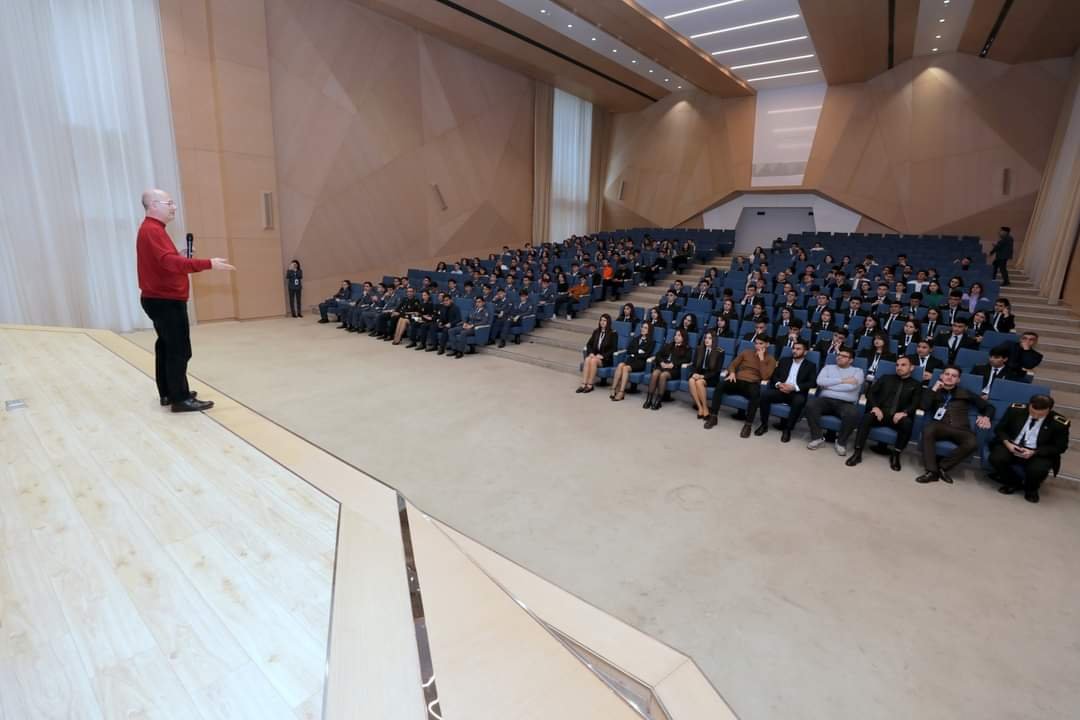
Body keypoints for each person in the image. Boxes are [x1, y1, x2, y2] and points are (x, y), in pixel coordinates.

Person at [915, 367, 995, 484]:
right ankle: (931, 471)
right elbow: (923, 406)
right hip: (940, 426)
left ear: (958, 380)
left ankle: (942, 467)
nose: (949, 377)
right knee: (928, 430)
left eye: (954, 376)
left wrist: (986, 417)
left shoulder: (965, 393)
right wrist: (934, 389)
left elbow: (989, 407)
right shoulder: (933, 391)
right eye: (947, 374)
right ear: (941, 376)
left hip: (961, 428)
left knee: (973, 442)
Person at [845, 355, 922, 471]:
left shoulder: (916, 384)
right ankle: (857, 452)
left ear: (912, 368)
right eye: (897, 365)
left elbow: (916, 403)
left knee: (907, 423)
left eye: (903, 365)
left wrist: (905, 412)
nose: (899, 367)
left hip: (898, 416)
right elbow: (870, 393)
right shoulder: (886, 378)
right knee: (867, 417)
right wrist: (875, 407)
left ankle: (896, 454)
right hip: (881, 413)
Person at [990, 395, 1070, 503]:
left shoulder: (1059, 423)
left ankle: (1031, 489)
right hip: (1012, 445)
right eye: (1032, 412)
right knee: (996, 458)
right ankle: (1013, 482)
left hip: (1038, 452)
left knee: (1038, 470)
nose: (1035, 416)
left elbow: (1060, 447)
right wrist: (1007, 443)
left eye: (1040, 415)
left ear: (1049, 410)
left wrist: (1035, 452)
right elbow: (1000, 429)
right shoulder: (1015, 410)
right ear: (1029, 405)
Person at [704, 336, 777, 436]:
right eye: (756, 343)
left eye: (761, 344)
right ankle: (713, 417)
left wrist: (761, 359)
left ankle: (748, 425)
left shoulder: (771, 359)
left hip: (752, 383)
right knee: (720, 385)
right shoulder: (746, 352)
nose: (758, 346)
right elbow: (732, 364)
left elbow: (765, 376)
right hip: (737, 380)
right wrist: (732, 372)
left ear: (767, 345)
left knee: (755, 395)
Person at [805, 347, 865, 456]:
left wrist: (829, 385)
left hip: (846, 403)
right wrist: (843, 381)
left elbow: (851, 387)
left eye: (844, 356)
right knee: (811, 405)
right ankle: (817, 438)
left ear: (851, 360)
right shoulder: (828, 367)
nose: (839, 357)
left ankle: (841, 442)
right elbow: (820, 382)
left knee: (853, 413)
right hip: (825, 400)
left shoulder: (858, 371)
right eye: (839, 355)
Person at [757, 339, 817, 442]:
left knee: (799, 401)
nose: (794, 351)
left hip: (796, 393)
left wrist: (794, 387)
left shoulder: (810, 365)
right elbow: (774, 376)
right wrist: (779, 384)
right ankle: (764, 425)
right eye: (794, 348)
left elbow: (812, 383)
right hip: (781, 389)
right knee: (765, 395)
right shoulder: (784, 360)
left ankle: (787, 430)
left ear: (805, 352)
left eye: (798, 349)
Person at [644, 328, 691, 410]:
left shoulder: (687, 348)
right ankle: (649, 399)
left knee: (663, 375)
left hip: (674, 369)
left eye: (679, 335)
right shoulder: (669, 345)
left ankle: (658, 401)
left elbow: (687, 359)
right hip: (663, 366)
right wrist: (661, 362)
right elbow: (658, 354)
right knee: (655, 373)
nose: (676, 337)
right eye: (675, 335)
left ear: (683, 338)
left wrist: (673, 364)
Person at [610, 321, 656, 401]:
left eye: (645, 328)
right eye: (642, 327)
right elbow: (629, 350)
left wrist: (635, 353)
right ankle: (613, 388)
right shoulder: (636, 338)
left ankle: (621, 392)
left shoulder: (651, 342)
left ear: (649, 330)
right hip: (631, 360)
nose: (643, 329)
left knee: (625, 368)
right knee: (620, 365)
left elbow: (646, 355)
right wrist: (638, 351)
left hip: (640, 363)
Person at [686, 331, 724, 418]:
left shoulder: (720, 352)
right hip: (699, 373)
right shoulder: (699, 349)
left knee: (699, 382)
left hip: (711, 376)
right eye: (706, 338)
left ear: (714, 340)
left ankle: (705, 408)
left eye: (710, 338)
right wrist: (694, 373)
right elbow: (694, 365)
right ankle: (700, 407)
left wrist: (703, 376)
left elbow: (717, 371)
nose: (707, 340)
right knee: (691, 380)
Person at [578, 314, 618, 394]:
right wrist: (591, 353)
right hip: (595, 356)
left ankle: (590, 385)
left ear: (608, 322)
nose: (602, 322)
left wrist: (603, 356)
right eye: (601, 320)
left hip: (606, 359)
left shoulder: (613, 333)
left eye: (604, 320)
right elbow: (589, 344)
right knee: (587, 359)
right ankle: (583, 384)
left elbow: (614, 349)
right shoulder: (596, 331)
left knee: (593, 361)